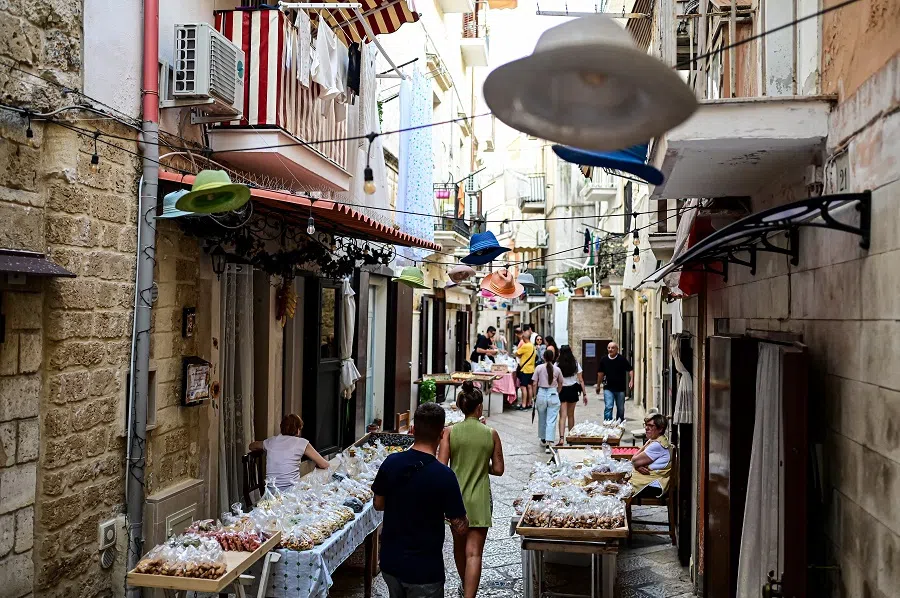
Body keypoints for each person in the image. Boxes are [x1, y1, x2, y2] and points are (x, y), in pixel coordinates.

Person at [374, 403, 469, 597]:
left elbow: (378, 504)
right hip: (425, 569)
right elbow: (460, 527)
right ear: (442, 434)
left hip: (391, 562)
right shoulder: (445, 476)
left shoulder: (390, 463)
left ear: (413, 430)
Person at [438, 382, 505, 598]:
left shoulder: (449, 432)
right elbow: (498, 469)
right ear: (479, 408)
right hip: (480, 501)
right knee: (474, 553)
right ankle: (469, 594)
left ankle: (464, 583)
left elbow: (441, 467)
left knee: (459, 547)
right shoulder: (491, 433)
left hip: (455, 499)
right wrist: (479, 464)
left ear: (460, 407)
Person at [248, 414, 330, 490]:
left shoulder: (271, 441)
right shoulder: (301, 443)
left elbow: (251, 446)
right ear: (298, 429)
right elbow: (324, 464)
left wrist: (267, 449)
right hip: (291, 493)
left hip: (271, 493)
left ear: (281, 427)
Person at [630, 414, 672, 498]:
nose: (646, 428)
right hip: (654, 481)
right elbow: (636, 462)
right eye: (646, 425)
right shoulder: (660, 439)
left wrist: (636, 465)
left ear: (660, 429)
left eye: (651, 426)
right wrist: (637, 466)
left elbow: (634, 461)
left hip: (654, 485)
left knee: (620, 489)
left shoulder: (656, 445)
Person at [532, 348, 563, 451]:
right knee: (551, 420)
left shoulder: (539, 368)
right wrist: (557, 391)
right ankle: (549, 443)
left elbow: (534, 383)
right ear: (553, 358)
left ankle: (543, 439)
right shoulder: (557, 369)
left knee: (542, 418)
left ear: (543, 357)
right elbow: (561, 383)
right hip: (553, 393)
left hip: (541, 393)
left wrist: (534, 395)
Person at [595, 342, 633, 421]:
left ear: (617, 349)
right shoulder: (604, 360)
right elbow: (600, 373)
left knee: (620, 408)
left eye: (612, 348)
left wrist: (631, 380)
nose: (610, 349)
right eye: (609, 348)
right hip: (608, 387)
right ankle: (608, 425)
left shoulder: (621, 359)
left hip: (620, 388)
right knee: (608, 406)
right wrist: (598, 385)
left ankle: (619, 424)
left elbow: (630, 370)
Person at [556, 345, 587, 441]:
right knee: (571, 415)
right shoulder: (575, 363)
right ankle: (570, 436)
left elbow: (555, 378)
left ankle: (561, 438)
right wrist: (584, 394)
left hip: (562, 389)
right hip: (573, 389)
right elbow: (581, 380)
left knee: (562, 415)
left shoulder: (557, 364)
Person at [515, 329, 537, 410]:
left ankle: (524, 404)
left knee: (523, 387)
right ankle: (529, 403)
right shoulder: (532, 346)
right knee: (529, 386)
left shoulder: (525, 345)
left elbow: (517, 353)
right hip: (531, 369)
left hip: (525, 369)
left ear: (524, 337)